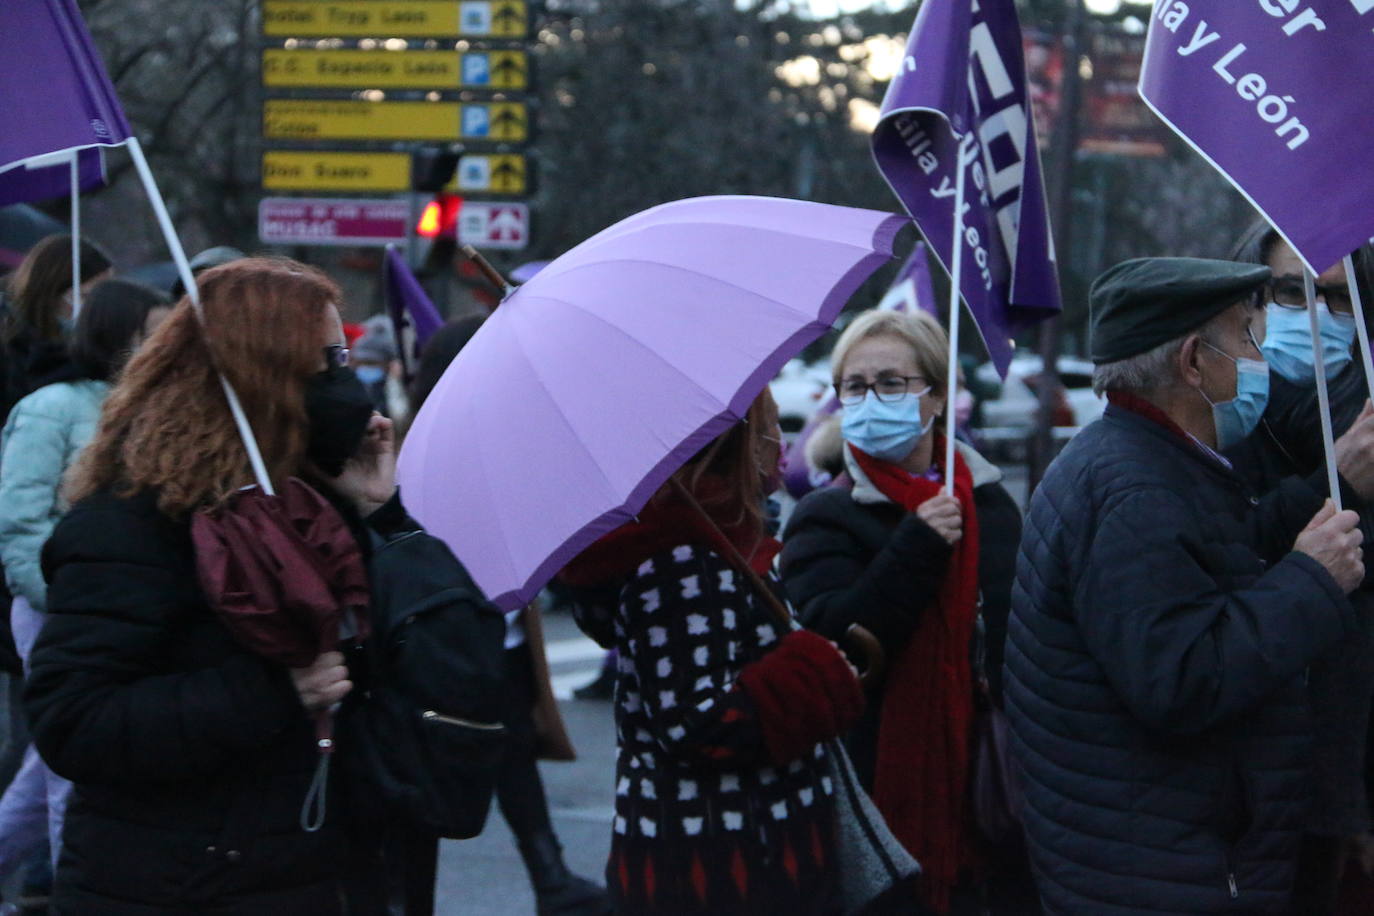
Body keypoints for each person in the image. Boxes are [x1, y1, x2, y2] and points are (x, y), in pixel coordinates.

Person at [19, 258, 414, 914]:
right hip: (177, 886)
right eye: (322, 368)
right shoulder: (131, 524)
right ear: (262, 379)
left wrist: (385, 516)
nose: (343, 388)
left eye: (343, 361)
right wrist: (271, 690)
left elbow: (426, 664)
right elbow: (75, 722)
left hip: (309, 870)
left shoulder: (318, 508)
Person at [1004, 257, 1368, 915]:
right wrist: (1314, 580)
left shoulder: (1144, 459)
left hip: (1150, 853)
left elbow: (1218, 562)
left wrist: (1333, 482)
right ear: (1194, 363)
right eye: (1249, 338)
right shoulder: (1137, 493)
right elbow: (1182, 677)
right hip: (1168, 874)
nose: (1262, 358)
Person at [560, 390, 864, 916]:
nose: (782, 445)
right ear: (738, 441)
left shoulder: (719, 540)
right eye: (770, 427)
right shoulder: (683, 561)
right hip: (726, 869)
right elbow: (696, 722)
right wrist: (815, 673)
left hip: (745, 855)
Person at [778, 308, 1025, 914]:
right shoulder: (824, 514)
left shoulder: (989, 503)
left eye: (892, 383)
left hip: (989, 775)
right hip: (876, 784)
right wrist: (916, 546)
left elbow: (1024, 634)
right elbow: (840, 643)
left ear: (936, 395)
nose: (870, 399)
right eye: (855, 387)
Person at [405, 315, 610, 916]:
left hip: (507, 636)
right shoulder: (420, 452)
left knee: (514, 753)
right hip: (451, 645)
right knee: (430, 776)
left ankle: (549, 876)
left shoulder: (507, 439)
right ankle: (411, 896)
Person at [0, 278, 169, 901]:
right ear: (118, 336)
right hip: (60, 606)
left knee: (47, 767)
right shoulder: (51, 409)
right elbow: (19, 520)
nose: (163, 346)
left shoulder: (156, 405)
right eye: (151, 334)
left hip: (120, 608)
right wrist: (66, 595)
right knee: (73, 771)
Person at [1225, 225, 1374, 912]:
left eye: (1338, 300)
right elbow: (1228, 559)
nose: (1314, 313)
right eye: (1290, 291)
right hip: (1231, 774)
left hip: (1339, 770)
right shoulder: (1213, 413)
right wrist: (1336, 479)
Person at [1, 235, 112, 421]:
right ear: (52, 292)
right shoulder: (10, 346)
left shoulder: (96, 346)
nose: (97, 307)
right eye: (86, 296)